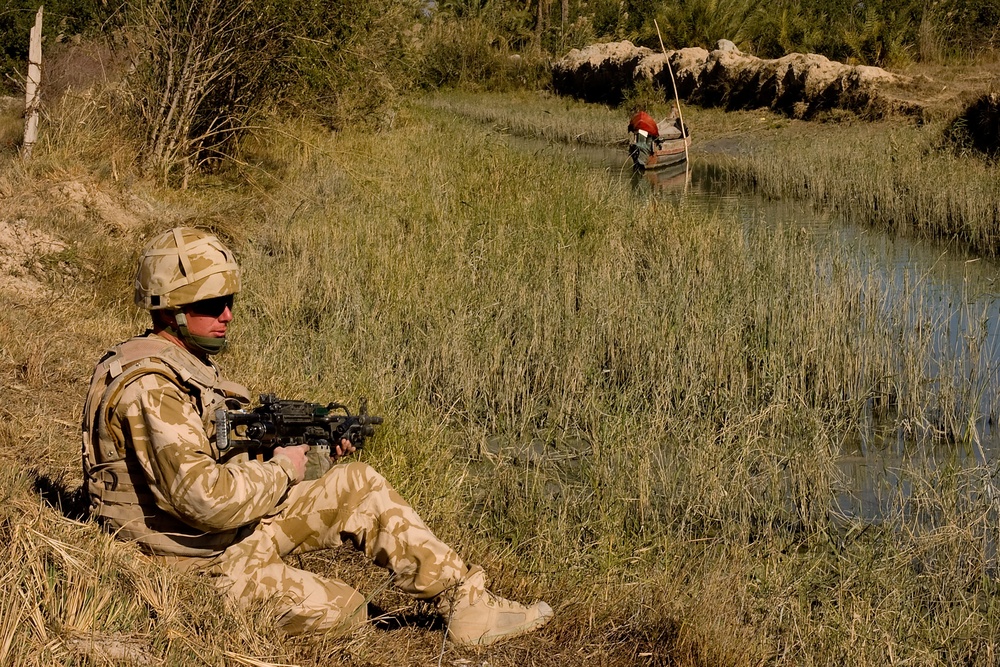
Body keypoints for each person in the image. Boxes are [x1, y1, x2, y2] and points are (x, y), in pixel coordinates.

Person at [81, 226, 553, 645]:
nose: (226, 314)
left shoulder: (182, 365)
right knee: (347, 612)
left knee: (357, 483)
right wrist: (284, 468)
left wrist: (314, 456)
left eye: (230, 302)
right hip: (189, 567)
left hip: (223, 539)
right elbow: (205, 500)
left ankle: (467, 604)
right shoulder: (150, 387)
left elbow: (220, 463)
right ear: (170, 310)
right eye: (209, 304)